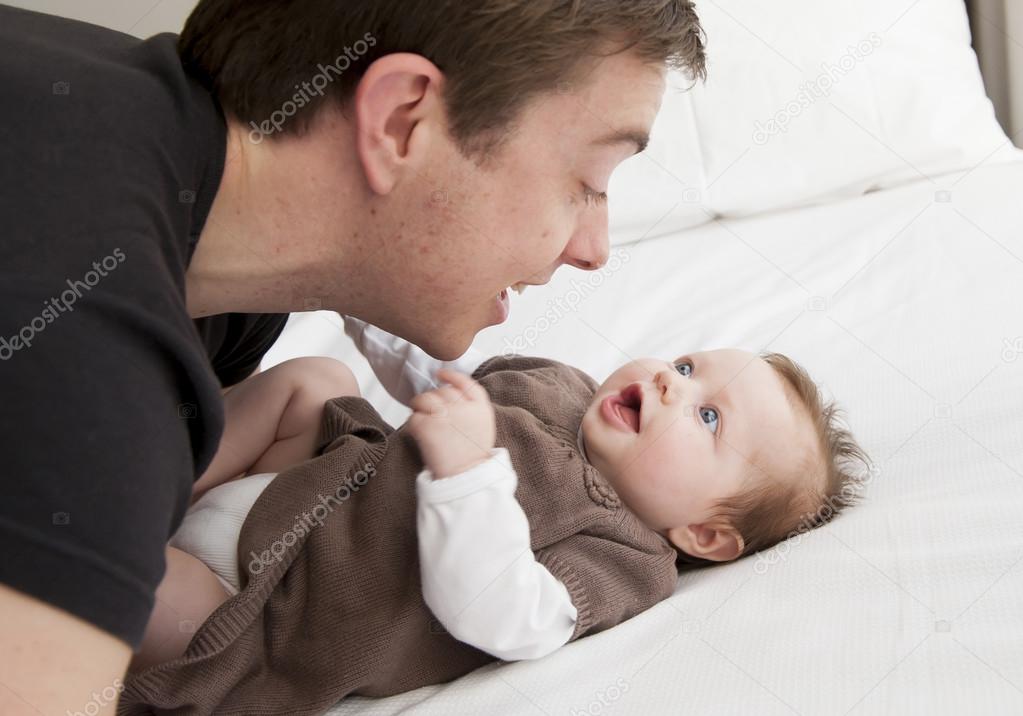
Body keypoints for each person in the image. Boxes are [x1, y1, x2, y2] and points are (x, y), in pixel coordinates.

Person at [0, 1, 708, 712]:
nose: (593, 250)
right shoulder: (87, 359)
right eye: (587, 183)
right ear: (400, 121)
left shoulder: (223, 287)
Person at [119, 317, 869, 714]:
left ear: (703, 534)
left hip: (261, 612)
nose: (672, 384)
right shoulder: (564, 386)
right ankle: (138, 481)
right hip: (304, 482)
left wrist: (468, 472)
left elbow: (504, 612)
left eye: (708, 417)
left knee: (136, 584)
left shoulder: (624, 559)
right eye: (684, 365)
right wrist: (375, 314)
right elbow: (441, 386)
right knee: (315, 380)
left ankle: (98, 533)